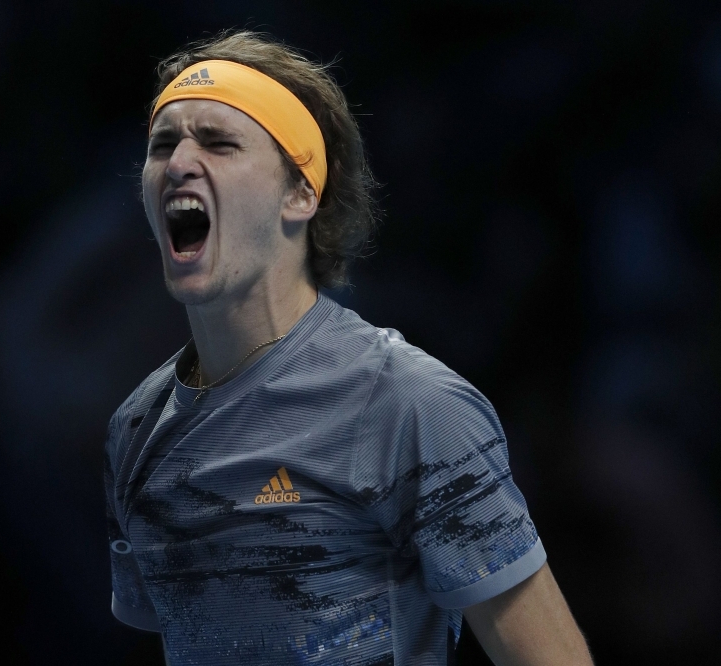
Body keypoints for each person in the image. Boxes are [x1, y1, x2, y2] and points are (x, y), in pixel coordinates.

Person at [104, 30, 593, 665]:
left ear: (300, 194)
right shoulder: (135, 429)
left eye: (220, 143)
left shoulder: (410, 403)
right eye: (162, 144)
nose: (177, 164)